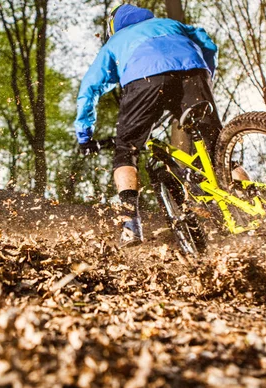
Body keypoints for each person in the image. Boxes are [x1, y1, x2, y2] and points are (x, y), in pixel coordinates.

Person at [74, 3, 223, 247]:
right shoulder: (170, 24)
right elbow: (206, 41)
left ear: (114, 27)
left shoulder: (116, 41)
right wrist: (207, 74)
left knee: (127, 150)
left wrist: (84, 135)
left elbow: (89, 88)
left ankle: (131, 226)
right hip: (194, 72)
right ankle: (252, 200)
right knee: (217, 146)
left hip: (145, 81)